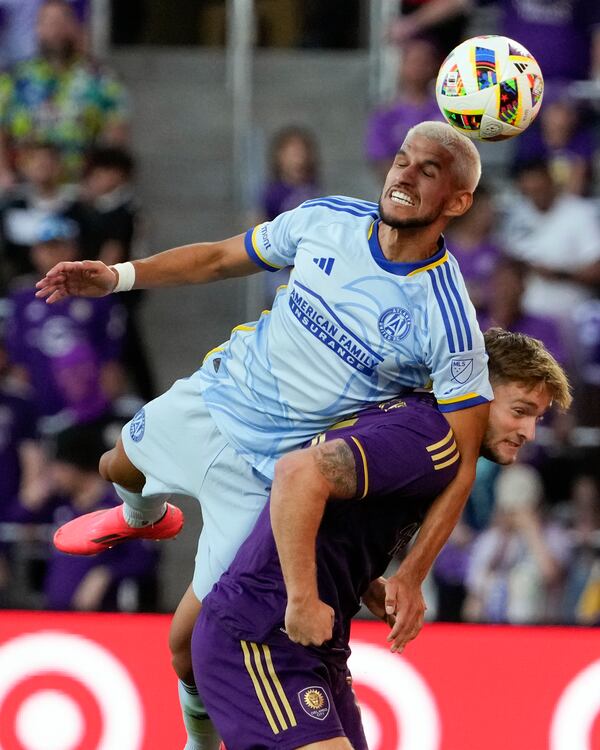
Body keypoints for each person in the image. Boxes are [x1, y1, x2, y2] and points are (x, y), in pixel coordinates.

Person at [38, 121, 491, 750]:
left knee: (187, 648)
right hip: (215, 398)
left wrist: (411, 574)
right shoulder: (327, 218)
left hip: (274, 475)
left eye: (429, 171)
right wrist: (117, 277)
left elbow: (462, 464)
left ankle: (200, 743)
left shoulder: (447, 316)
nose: (405, 175)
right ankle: (143, 516)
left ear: (458, 201)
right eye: (401, 160)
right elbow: (220, 257)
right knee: (118, 466)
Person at [191, 329, 571, 750]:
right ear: (478, 389)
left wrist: (360, 579)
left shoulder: (414, 419)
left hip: (313, 648)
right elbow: (296, 475)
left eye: (537, 417)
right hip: (264, 636)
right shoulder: (430, 442)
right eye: (520, 411)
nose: (529, 432)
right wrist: (301, 598)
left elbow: (326, 509)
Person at [0, 0, 129, 187]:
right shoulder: (14, 80)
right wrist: (3, 173)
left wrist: (101, 181)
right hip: (24, 188)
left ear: (75, 28)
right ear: (37, 29)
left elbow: (115, 137)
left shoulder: (101, 81)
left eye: (62, 22)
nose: (55, 31)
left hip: (80, 190)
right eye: (49, 23)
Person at [365, 37, 443, 182]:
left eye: (425, 61)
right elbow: (381, 161)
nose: (420, 67)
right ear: (402, 65)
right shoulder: (385, 115)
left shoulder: (447, 112)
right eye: (415, 61)